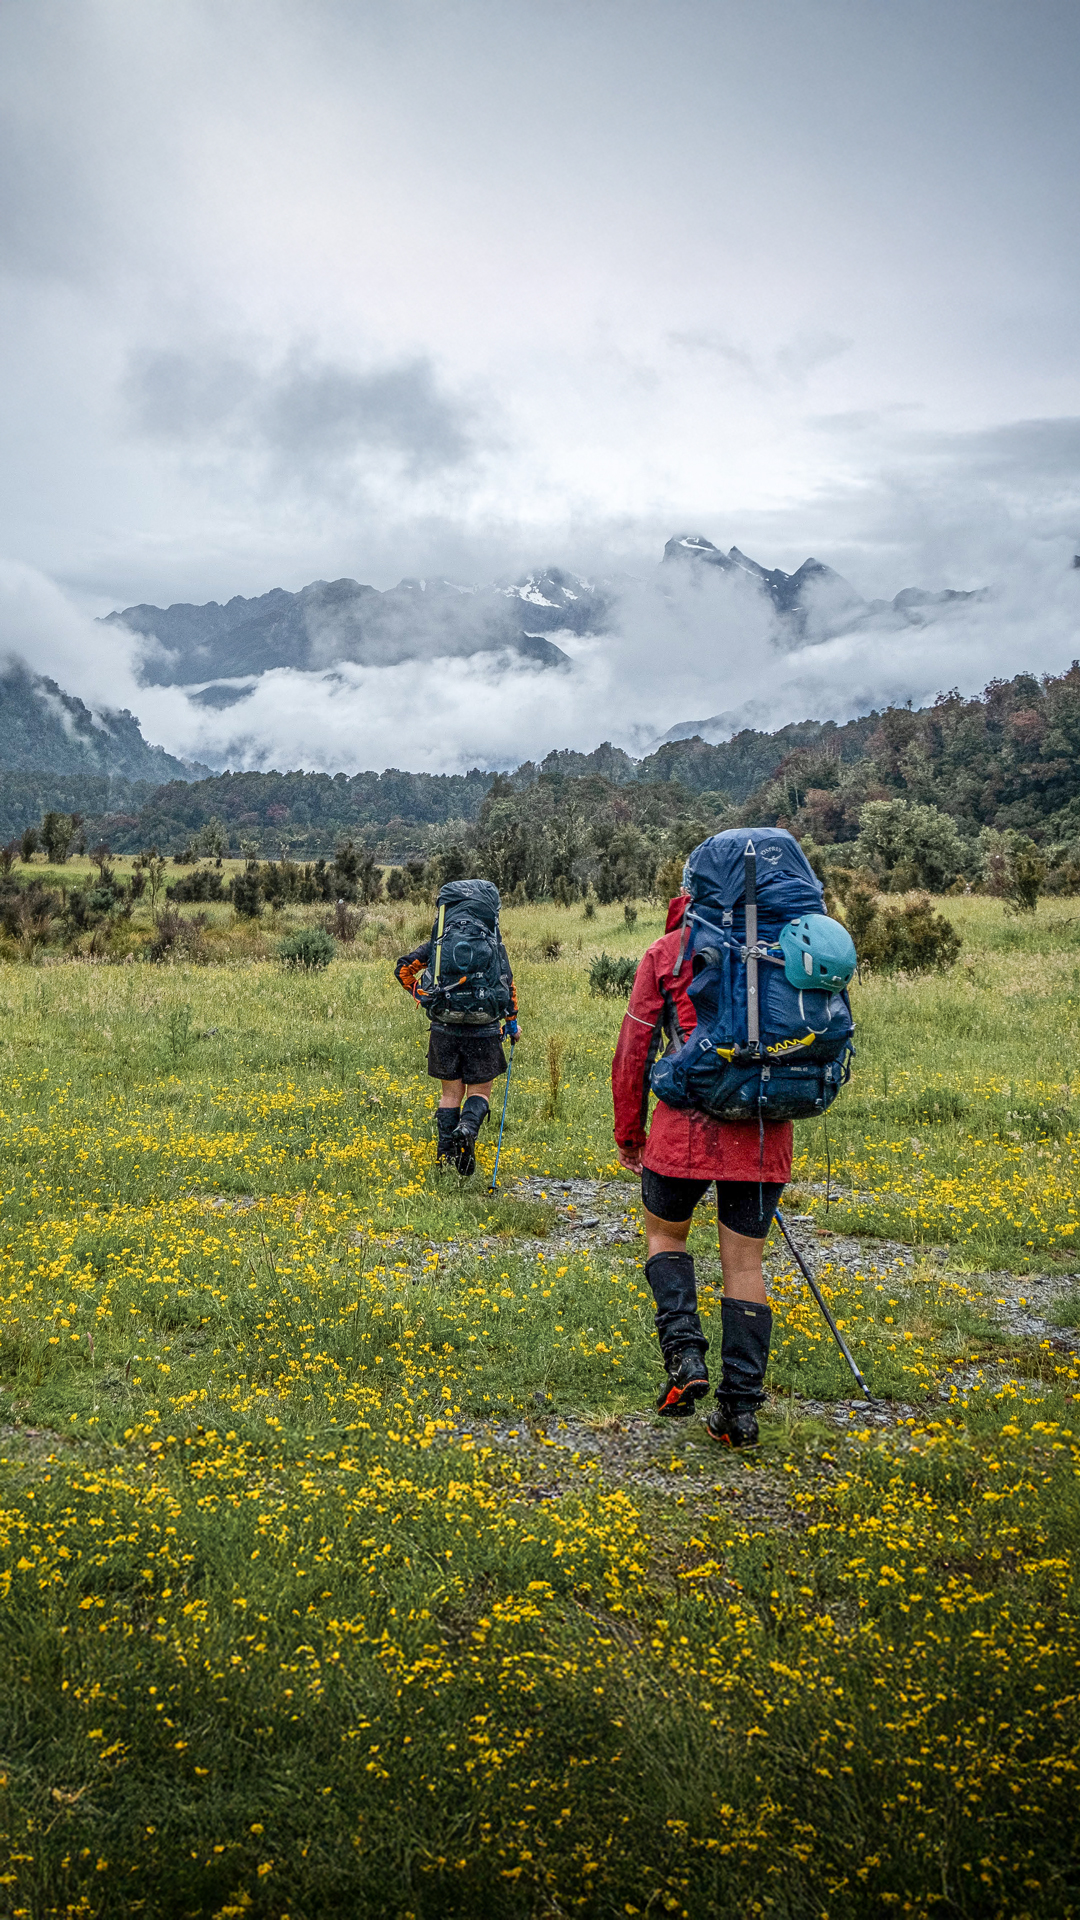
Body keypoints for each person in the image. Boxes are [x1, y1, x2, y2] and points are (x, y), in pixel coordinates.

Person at [611, 891, 789, 1448]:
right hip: (763, 1132)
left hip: (682, 1131)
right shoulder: (785, 952)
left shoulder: (665, 952)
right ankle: (739, 1413)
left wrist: (629, 1132)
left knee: (664, 1235)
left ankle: (685, 1358)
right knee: (745, 1266)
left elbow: (634, 1049)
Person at [395, 878, 520, 1176]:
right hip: (484, 1028)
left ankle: (443, 1157)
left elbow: (402, 969)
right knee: (480, 1089)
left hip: (444, 1026)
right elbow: (507, 985)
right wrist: (512, 1024)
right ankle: (467, 1129)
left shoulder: (439, 942)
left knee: (450, 1094)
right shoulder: (491, 940)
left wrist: (422, 996)